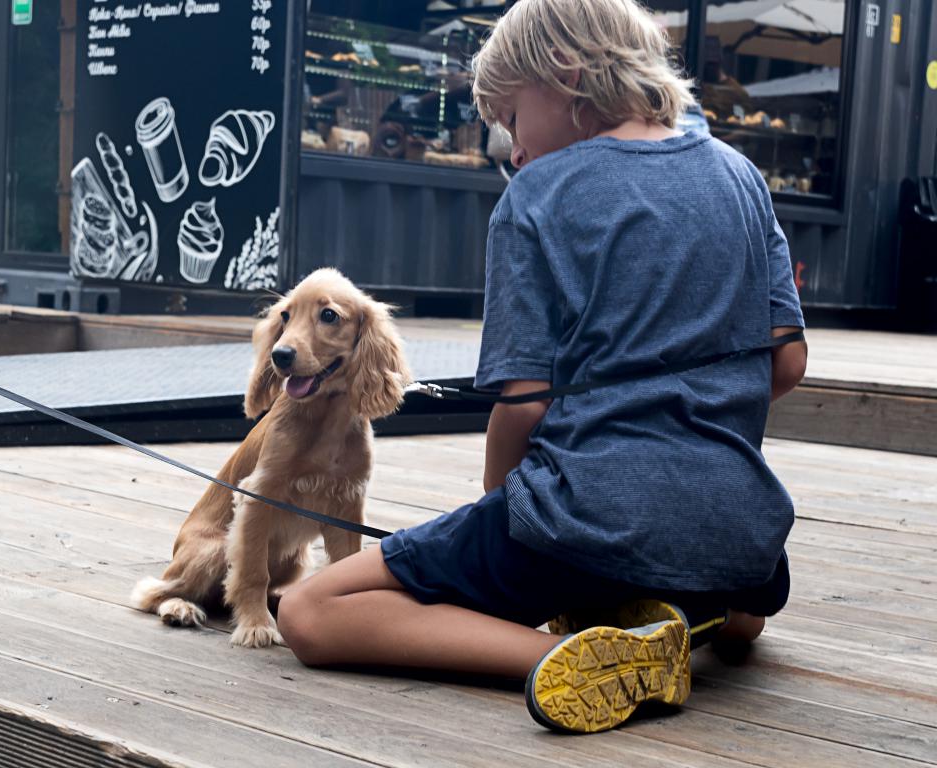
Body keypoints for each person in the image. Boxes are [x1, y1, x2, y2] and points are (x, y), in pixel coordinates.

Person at [276, 0, 808, 734]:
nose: (512, 149)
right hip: (743, 540)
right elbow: (786, 364)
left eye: (511, 119)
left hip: (584, 519)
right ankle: (685, 617)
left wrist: (504, 504)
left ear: (565, 75)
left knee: (315, 610)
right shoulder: (743, 177)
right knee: (743, 619)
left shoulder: (537, 196)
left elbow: (524, 407)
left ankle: (562, 654)